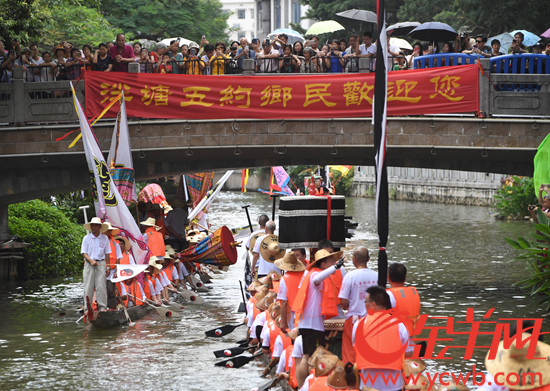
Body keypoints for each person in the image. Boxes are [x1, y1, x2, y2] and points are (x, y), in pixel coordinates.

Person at [291, 249, 345, 388]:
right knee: (312, 358)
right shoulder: (315, 274)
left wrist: (334, 268)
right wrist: (336, 267)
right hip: (312, 325)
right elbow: (317, 279)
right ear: (323, 264)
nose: (334, 264)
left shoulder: (313, 273)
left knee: (307, 356)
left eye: (335, 262)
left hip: (310, 324)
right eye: (332, 262)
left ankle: (304, 386)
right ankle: (310, 386)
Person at [353, 285, 414, 390]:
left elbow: (354, 348)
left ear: (372, 305)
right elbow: (408, 353)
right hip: (394, 384)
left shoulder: (359, 325)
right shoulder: (399, 324)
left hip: (367, 384)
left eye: (366, 302)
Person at [338, 246, 377, 364]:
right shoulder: (377, 276)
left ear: (354, 259)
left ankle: (352, 378)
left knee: (350, 353)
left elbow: (343, 301)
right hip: (373, 320)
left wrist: (348, 305)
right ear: (368, 259)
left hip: (354, 319)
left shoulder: (349, 276)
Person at [80, 217, 111, 313]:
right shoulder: (86, 238)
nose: (94, 227)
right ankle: (87, 308)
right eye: (92, 225)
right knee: (88, 286)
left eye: (96, 225)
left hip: (101, 263)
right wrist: (90, 260)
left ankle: (102, 307)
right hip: (89, 264)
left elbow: (107, 254)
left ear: (99, 227)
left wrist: (108, 266)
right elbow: (83, 253)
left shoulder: (104, 238)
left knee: (101, 286)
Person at [275, 251, 306, 331]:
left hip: (293, 314)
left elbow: (284, 302)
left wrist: (283, 322)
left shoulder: (285, 279)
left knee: (295, 338)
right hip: (307, 312)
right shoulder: (306, 274)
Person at [386, 262, 421, 334]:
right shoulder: (414, 292)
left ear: (388, 278)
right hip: (412, 339)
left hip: (397, 338)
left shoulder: (389, 295)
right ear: (405, 279)